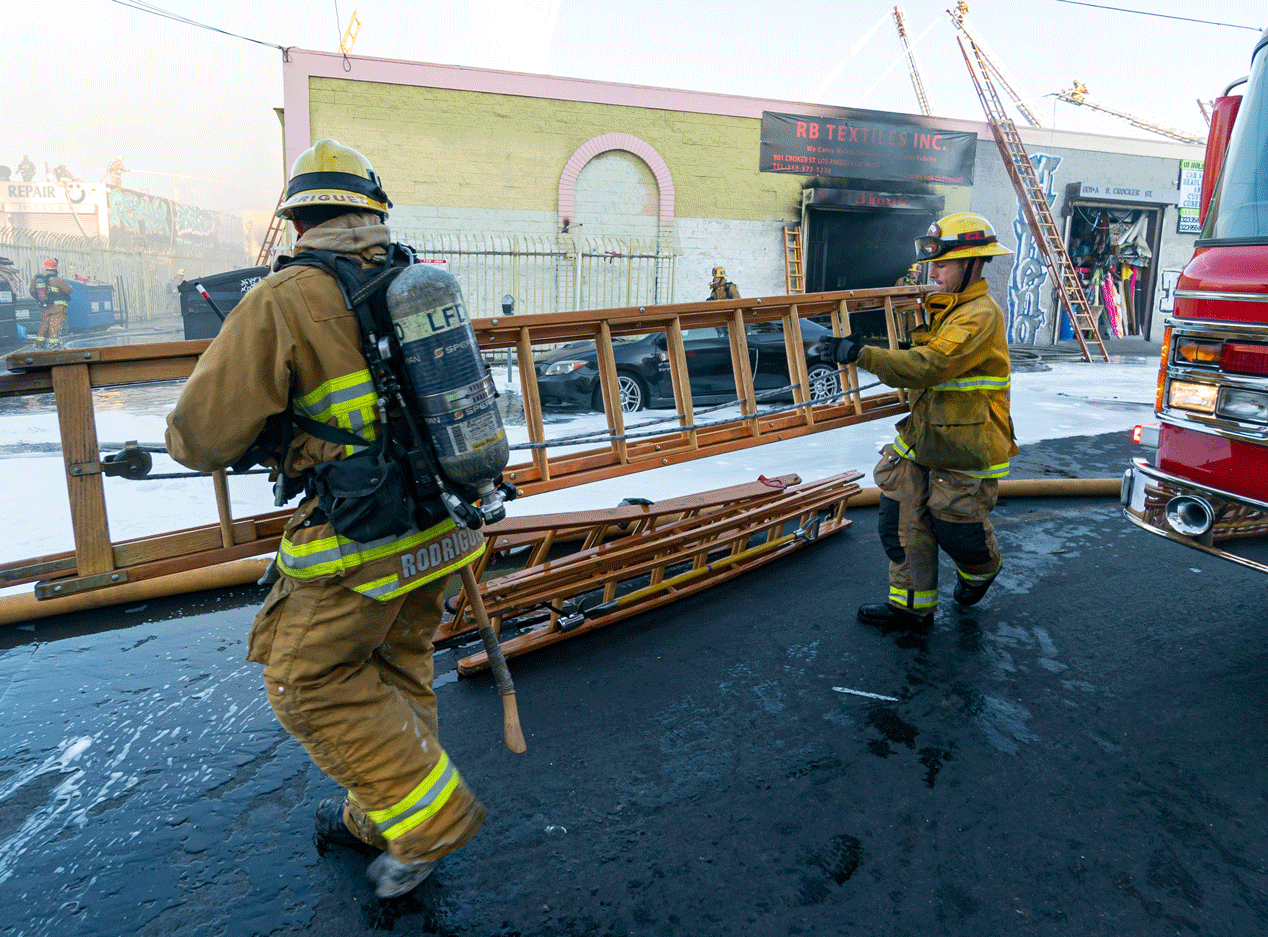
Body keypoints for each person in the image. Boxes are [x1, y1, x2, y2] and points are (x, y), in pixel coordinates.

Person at [165, 139, 487, 899]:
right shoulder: (413, 278)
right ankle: (381, 815)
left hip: (362, 539)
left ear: (298, 218)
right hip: (446, 524)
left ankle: (430, 819)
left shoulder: (282, 298)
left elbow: (202, 435)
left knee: (305, 677)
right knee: (395, 664)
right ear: (372, 212)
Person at [816, 212, 1016, 631]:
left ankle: (981, 572)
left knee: (958, 534)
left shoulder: (979, 314)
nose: (934, 273)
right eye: (933, 264)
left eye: (942, 265)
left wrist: (861, 355)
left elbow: (931, 364)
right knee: (900, 523)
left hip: (965, 445)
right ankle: (911, 607)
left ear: (973, 264)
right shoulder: (944, 307)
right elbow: (916, 352)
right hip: (922, 435)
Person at [29, 258, 73, 348]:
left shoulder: (36, 279)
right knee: (55, 323)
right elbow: (69, 290)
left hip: (44, 305)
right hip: (57, 306)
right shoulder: (57, 280)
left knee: (44, 323)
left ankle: (39, 343)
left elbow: (32, 291)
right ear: (55, 268)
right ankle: (54, 343)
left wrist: (40, 299)